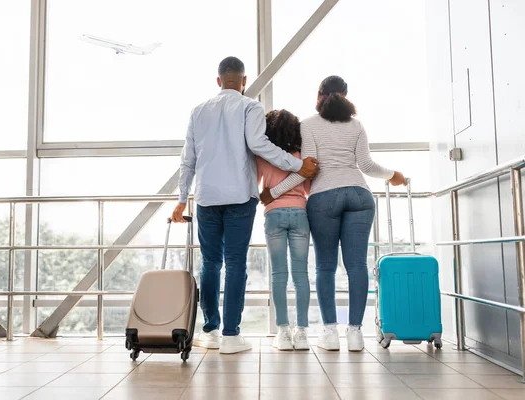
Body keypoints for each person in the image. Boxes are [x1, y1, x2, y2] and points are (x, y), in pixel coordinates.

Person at [171, 56, 319, 354]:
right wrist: (297, 165)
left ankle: (210, 331)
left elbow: (187, 161)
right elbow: (258, 145)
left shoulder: (198, 111)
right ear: (244, 81)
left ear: (218, 81)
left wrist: (181, 200)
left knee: (210, 263)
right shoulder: (250, 106)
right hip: (240, 197)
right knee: (236, 263)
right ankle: (231, 336)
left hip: (207, 198)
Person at [261, 76, 406, 352]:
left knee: (325, 266)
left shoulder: (308, 124)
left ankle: (330, 333)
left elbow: (309, 169)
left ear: (319, 95)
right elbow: (366, 164)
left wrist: (273, 192)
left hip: (324, 197)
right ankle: (355, 333)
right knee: (356, 266)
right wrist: (394, 175)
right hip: (359, 195)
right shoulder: (356, 125)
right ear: (346, 95)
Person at [257, 110, 311, 351]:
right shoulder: (300, 157)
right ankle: (302, 333)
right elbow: (308, 186)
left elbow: (256, 186)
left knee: (279, 275)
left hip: (274, 215)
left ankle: (282, 331)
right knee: (301, 275)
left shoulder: (262, 157)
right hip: (300, 214)